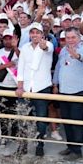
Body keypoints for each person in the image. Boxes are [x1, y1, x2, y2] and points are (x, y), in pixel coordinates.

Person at [53, 27, 83, 160]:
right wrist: (55, 83)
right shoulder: (64, 50)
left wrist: (77, 56)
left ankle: (77, 151)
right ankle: (70, 146)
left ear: (78, 37)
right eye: (67, 38)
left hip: (78, 91)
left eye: (73, 37)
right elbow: (59, 67)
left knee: (76, 122)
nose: (70, 40)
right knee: (67, 121)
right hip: (64, 91)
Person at [16, 22, 55, 156]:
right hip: (26, 88)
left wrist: (43, 45)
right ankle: (23, 145)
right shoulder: (25, 48)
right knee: (23, 118)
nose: (34, 35)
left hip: (42, 87)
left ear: (42, 34)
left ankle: (40, 145)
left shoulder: (48, 44)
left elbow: (47, 48)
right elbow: (20, 68)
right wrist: (20, 86)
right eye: (32, 32)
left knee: (41, 119)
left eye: (37, 32)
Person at [0, 29, 20, 145]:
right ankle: (4, 136)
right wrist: (8, 65)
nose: (8, 41)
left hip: (16, 87)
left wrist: (16, 48)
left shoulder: (19, 51)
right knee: (3, 113)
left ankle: (14, 134)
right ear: (2, 40)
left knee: (15, 113)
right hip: (3, 86)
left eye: (10, 38)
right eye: (6, 39)